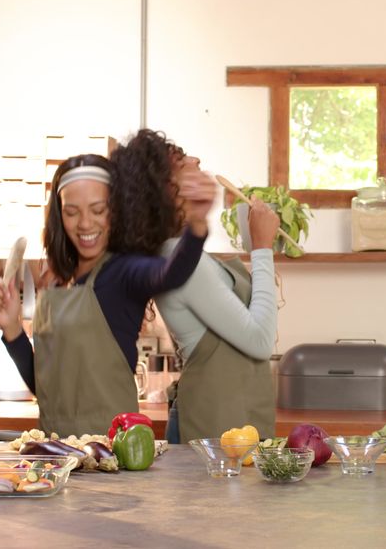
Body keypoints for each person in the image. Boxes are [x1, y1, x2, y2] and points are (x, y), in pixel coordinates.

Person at [0, 153, 215, 437]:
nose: (84, 224)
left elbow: (170, 273)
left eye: (98, 210)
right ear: (60, 215)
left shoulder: (123, 273)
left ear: (116, 211)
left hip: (114, 459)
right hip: (56, 456)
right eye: (72, 212)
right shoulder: (58, 285)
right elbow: (46, 390)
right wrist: (12, 330)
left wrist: (197, 224)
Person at [109, 130, 280, 443]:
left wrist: (257, 240)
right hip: (213, 433)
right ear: (164, 189)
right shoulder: (177, 258)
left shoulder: (182, 254)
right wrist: (262, 248)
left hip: (229, 425)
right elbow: (259, 340)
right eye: (180, 161)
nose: (196, 159)